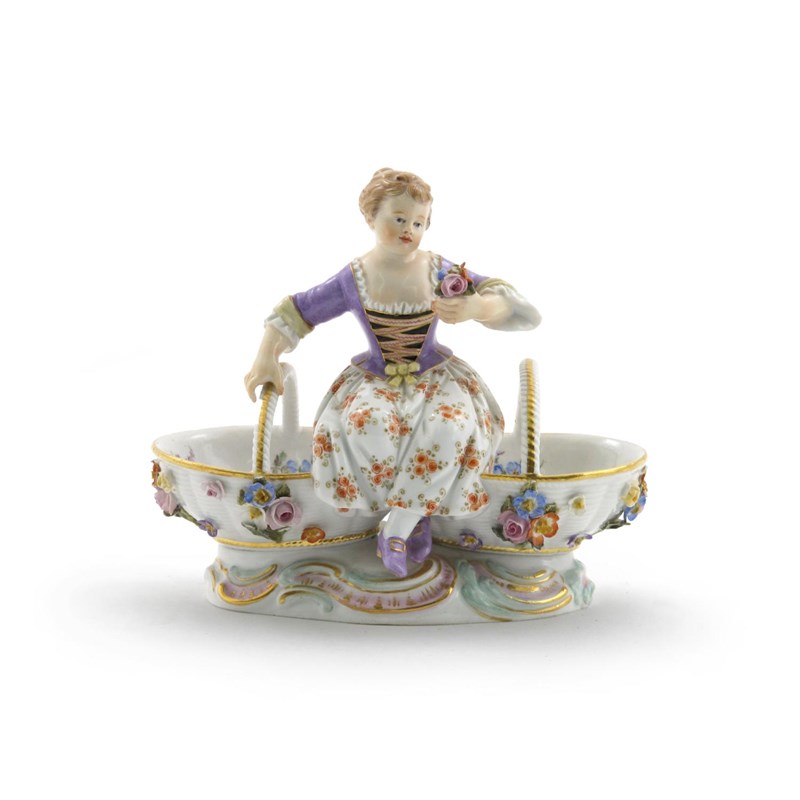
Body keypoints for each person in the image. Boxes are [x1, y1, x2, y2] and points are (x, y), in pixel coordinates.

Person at [244, 168, 541, 576]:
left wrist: (478, 307)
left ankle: (399, 527)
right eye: (399, 218)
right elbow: (298, 311)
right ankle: (415, 515)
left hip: (437, 378)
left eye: (419, 222)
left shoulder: (437, 270)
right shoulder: (354, 278)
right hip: (375, 378)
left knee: (450, 427)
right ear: (371, 216)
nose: (409, 230)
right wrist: (266, 355)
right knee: (366, 425)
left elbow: (508, 301)